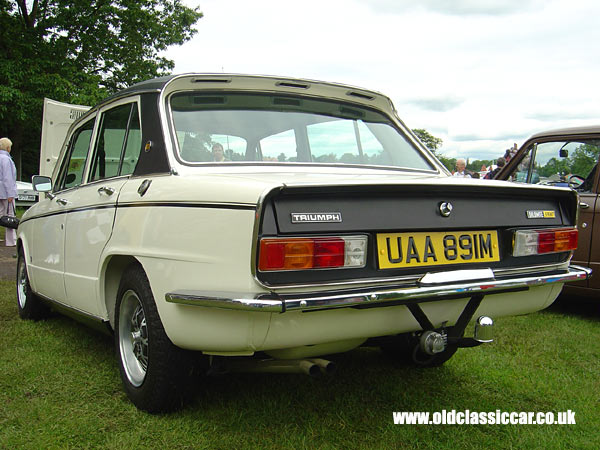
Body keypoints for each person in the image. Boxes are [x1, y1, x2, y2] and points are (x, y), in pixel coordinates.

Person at [0, 137, 17, 247]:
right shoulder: (6, 159)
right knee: (10, 215)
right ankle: (11, 241)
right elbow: (8, 177)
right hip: (5, 191)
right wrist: (10, 194)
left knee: (1, 214)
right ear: (7, 147)